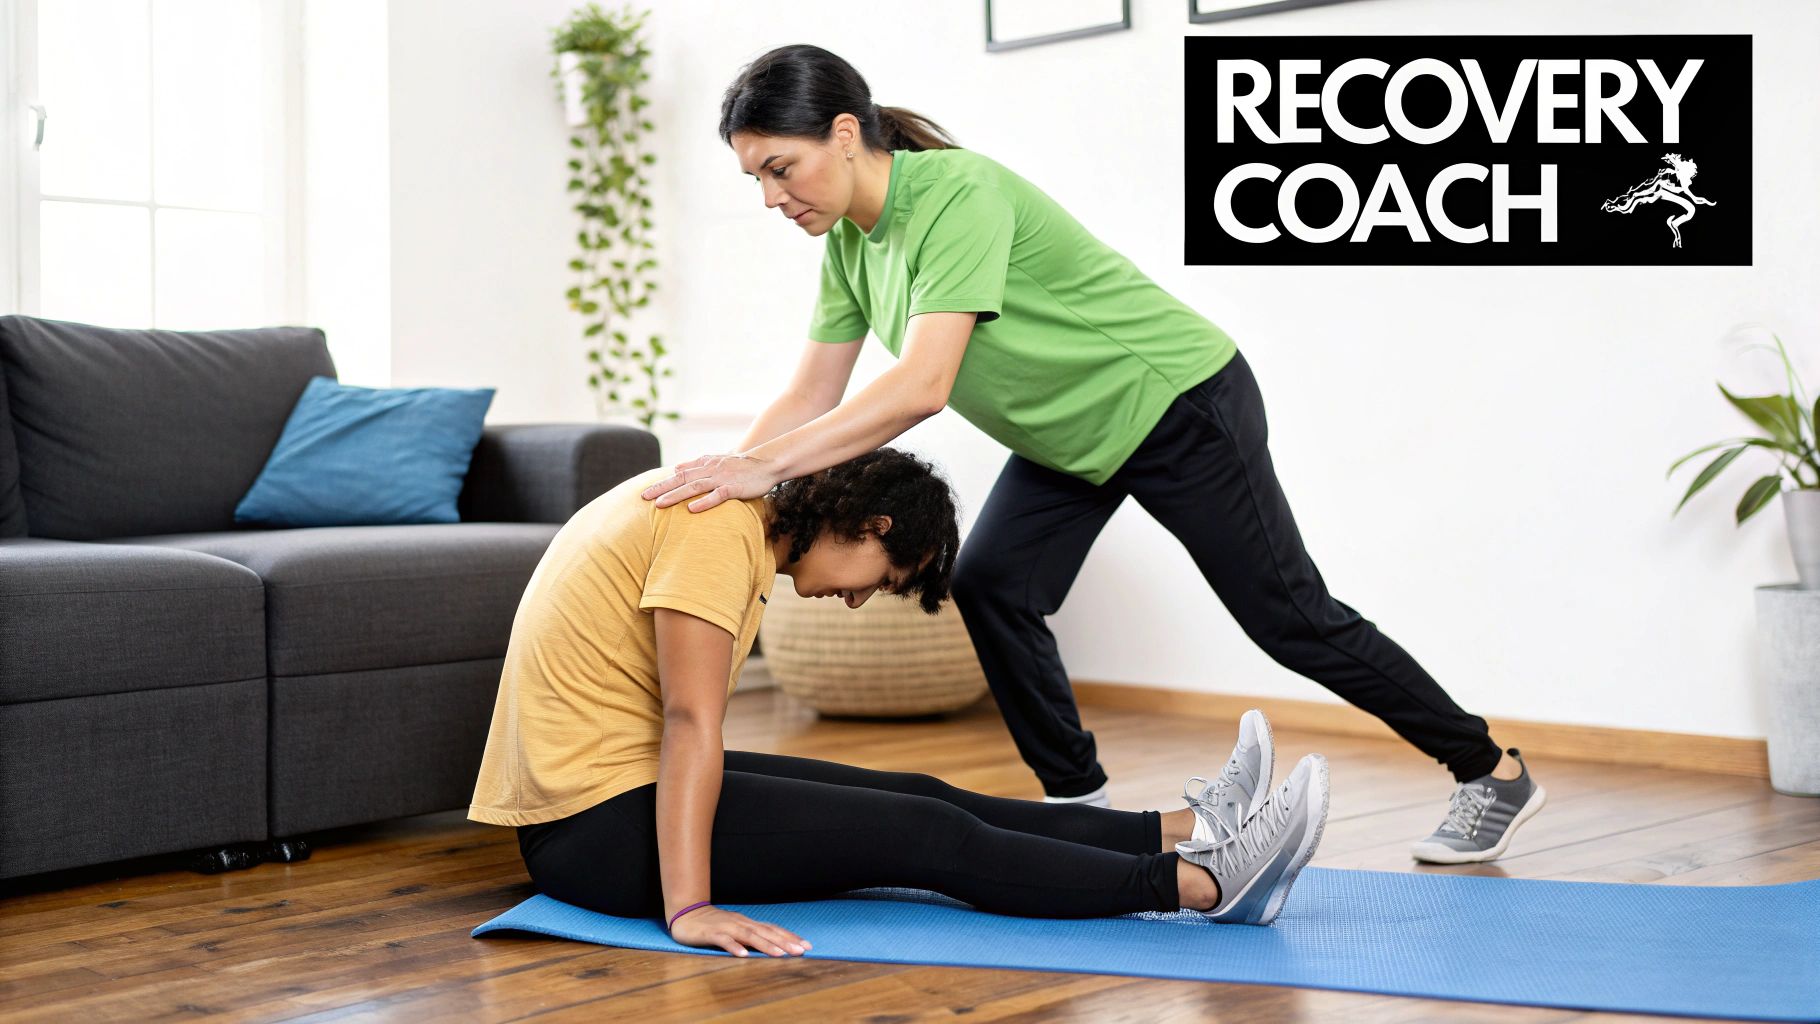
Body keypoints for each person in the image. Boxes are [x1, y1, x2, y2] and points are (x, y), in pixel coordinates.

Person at [637, 44, 1545, 865]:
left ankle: (1489, 770)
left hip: (1176, 400)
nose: (771, 197)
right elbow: (809, 393)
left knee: (1288, 616)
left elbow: (922, 384)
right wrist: (718, 481)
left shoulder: (956, 192)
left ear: (843, 134)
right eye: (756, 177)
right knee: (993, 584)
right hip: (1070, 440)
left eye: (780, 168)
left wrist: (764, 472)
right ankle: (1083, 803)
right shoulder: (848, 246)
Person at [469, 449, 1331, 957]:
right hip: (592, 834)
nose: (857, 600)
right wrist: (688, 909)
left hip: (617, 795)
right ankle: (1208, 885)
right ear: (872, 526)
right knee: (928, 840)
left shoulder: (735, 519)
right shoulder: (710, 533)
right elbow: (692, 722)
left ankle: (1184, 830)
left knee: (924, 794)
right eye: (884, 580)